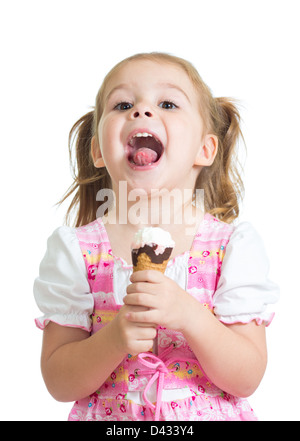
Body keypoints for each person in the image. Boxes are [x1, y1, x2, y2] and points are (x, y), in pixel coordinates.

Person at [34, 52, 279, 421]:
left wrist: (190, 316)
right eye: (123, 104)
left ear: (205, 148)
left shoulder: (231, 248)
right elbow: (58, 381)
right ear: (99, 150)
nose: (141, 111)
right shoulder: (76, 252)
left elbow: (246, 377)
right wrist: (115, 338)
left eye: (167, 103)